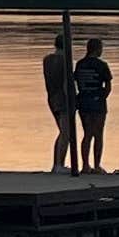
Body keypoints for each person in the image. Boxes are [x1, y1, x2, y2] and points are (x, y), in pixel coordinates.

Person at [71, 36, 113, 171]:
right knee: (98, 135)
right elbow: (108, 85)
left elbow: (75, 81)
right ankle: (96, 165)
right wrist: (103, 97)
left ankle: (85, 165)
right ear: (97, 49)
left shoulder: (80, 64)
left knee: (87, 134)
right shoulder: (102, 65)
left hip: (83, 101)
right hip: (97, 102)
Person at [40, 34, 76, 173]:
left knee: (62, 132)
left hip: (51, 97)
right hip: (63, 98)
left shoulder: (47, 60)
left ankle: (57, 163)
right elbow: (66, 82)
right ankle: (59, 164)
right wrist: (71, 100)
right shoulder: (65, 60)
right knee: (66, 133)